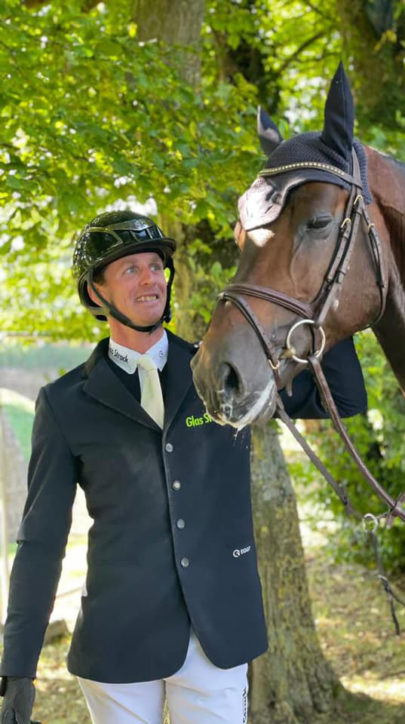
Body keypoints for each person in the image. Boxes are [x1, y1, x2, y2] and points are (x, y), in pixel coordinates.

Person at [0, 210, 367, 724]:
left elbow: (343, 398)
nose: (151, 278)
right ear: (94, 293)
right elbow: (40, 540)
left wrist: (324, 289)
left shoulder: (224, 373)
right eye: (130, 269)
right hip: (117, 644)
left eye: (156, 266)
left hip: (217, 636)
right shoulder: (63, 404)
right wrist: (17, 667)